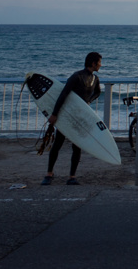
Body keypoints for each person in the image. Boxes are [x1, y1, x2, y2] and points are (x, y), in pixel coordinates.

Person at [41, 52, 103, 185]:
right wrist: (54, 114)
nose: (100, 65)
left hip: (80, 116)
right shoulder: (76, 76)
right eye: (99, 62)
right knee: (57, 143)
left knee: (77, 146)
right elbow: (63, 94)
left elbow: (98, 92)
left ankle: (72, 176)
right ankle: (49, 174)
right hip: (67, 115)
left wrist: (89, 102)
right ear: (93, 63)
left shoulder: (95, 79)